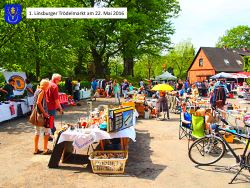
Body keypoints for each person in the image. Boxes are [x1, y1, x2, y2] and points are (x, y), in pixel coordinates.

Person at [33, 79, 52, 155]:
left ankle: (36, 149)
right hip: (42, 115)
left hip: (36, 114)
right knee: (47, 131)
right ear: (46, 86)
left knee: (37, 132)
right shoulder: (42, 91)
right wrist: (44, 113)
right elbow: (38, 103)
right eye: (48, 86)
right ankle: (45, 149)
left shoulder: (37, 90)